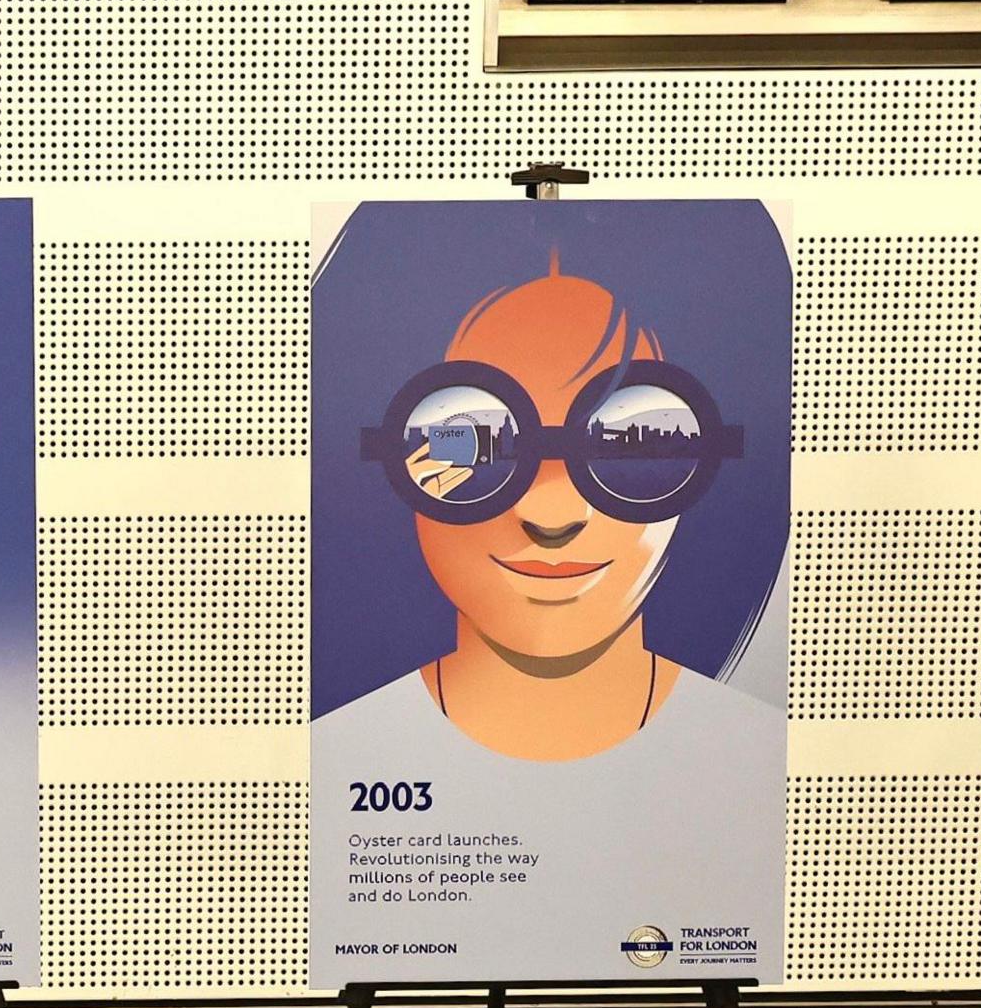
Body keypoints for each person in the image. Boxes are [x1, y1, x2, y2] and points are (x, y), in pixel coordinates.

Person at [321, 255, 763, 765]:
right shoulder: (345, 755)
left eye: (621, 447)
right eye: (483, 440)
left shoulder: (749, 754)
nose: (551, 515)